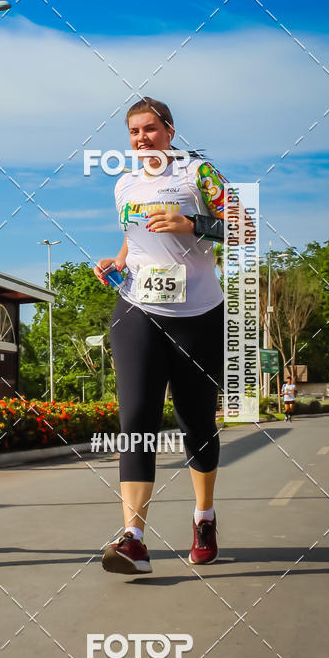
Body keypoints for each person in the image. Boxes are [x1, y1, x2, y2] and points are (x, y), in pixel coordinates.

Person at [95, 97, 231, 575]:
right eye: (133, 132)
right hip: (137, 307)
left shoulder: (200, 174)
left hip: (197, 313)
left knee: (195, 419)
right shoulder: (124, 183)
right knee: (136, 417)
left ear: (170, 130)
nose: (141, 139)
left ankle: (204, 517)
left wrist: (192, 223)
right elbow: (136, 238)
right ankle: (133, 537)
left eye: (150, 129)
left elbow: (245, 228)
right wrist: (118, 260)